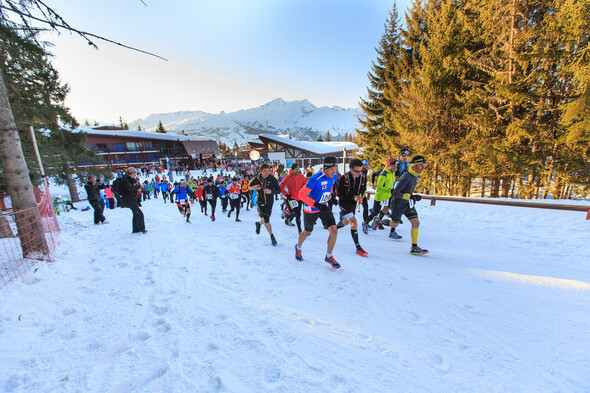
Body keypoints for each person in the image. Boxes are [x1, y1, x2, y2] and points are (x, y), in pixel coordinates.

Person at [295, 156, 341, 269]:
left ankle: (329, 256)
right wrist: (315, 204)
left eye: (336, 168)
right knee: (307, 232)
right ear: (325, 168)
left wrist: (331, 195)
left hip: (324, 207)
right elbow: (301, 195)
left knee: (334, 230)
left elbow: (329, 187)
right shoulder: (315, 178)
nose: (334, 172)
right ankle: (298, 247)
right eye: (332, 169)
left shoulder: (334, 176)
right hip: (311, 208)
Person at [389, 155, 428, 255]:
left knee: (416, 222)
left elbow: (407, 191)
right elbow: (396, 193)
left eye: (423, 165)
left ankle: (414, 247)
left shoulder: (416, 176)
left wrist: (413, 196)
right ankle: (383, 222)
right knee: (394, 224)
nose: (423, 167)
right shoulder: (406, 177)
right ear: (414, 166)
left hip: (408, 204)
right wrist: (410, 196)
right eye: (420, 165)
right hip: (398, 204)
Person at [336, 158, 368, 257]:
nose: (359, 173)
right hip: (344, 203)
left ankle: (336, 226)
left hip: (353, 203)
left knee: (346, 222)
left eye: (360, 170)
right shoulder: (344, 177)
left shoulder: (362, 176)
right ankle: (358, 247)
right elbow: (339, 193)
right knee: (354, 223)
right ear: (350, 169)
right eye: (356, 171)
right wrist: (353, 197)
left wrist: (361, 196)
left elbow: (363, 188)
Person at [248, 163, 281, 246]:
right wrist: (254, 187)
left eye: (268, 171)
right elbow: (249, 186)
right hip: (260, 201)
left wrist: (271, 191)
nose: (267, 173)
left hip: (270, 202)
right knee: (266, 219)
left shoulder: (272, 179)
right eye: (265, 171)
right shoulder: (256, 179)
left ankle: (258, 224)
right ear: (261, 171)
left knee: (266, 218)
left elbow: (279, 190)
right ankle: (272, 236)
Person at [362, 158, 397, 234]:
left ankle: (377, 220)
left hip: (388, 196)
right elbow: (379, 187)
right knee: (375, 212)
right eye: (393, 166)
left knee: (387, 208)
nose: (395, 168)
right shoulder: (383, 174)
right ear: (388, 166)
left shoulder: (392, 173)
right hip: (380, 196)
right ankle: (365, 223)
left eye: (395, 166)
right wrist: (389, 190)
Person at [279, 163, 307, 234]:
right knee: (295, 213)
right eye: (296, 169)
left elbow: (306, 185)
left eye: (298, 169)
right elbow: (281, 186)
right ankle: (287, 215)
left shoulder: (301, 176)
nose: (297, 171)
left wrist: (306, 193)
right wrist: (286, 194)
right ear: (292, 170)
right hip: (292, 198)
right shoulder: (288, 178)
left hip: (300, 198)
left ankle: (299, 230)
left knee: (298, 214)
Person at [120, 167, 146, 233]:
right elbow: (129, 188)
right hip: (129, 199)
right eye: (134, 173)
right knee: (139, 213)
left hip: (132, 198)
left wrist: (138, 186)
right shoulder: (126, 180)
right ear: (132, 173)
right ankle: (141, 228)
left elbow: (132, 188)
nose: (135, 174)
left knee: (136, 214)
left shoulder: (130, 179)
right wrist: (138, 186)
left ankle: (136, 229)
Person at [361, 159, 370, 223]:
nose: (366, 166)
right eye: (365, 165)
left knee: (365, 206)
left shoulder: (365, 172)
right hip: (356, 192)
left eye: (367, 165)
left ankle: (365, 222)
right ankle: (342, 213)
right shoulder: (358, 172)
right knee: (352, 207)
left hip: (362, 192)